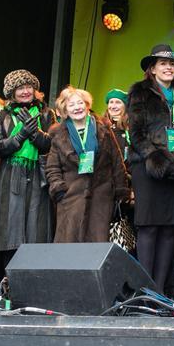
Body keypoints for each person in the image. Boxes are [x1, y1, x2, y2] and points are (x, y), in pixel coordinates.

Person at [127, 45, 174, 292]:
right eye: (162, 64)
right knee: (149, 228)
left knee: (170, 229)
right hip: (148, 169)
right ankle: (145, 292)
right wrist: (157, 160)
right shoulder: (140, 92)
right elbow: (136, 134)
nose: (169, 67)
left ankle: (160, 292)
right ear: (152, 68)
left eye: (172, 64)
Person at [0, 70, 56, 266]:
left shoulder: (47, 113)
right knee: (11, 232)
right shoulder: (1, 116)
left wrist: (35, 133)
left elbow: (52, 144)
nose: (25, 91)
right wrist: (21, 134)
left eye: (28, 87)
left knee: (36, 230)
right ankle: (8, 281)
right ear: (11, 93)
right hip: (9, 174)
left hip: (37, 172)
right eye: (20, 88)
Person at [45, 87, 127, 243]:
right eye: (71, 105)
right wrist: (59, 190)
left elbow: (116, 160)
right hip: (70, 196)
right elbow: (52, 167)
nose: (77, 107)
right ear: (65, 110)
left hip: (101, 195)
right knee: (69, 245)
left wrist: (120, 190)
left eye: (80, 103)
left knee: (97, 245)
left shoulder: (103, 128)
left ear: (87, 105)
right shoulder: (58, 134)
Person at [104, 89, 130, 162]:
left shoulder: (133, 126)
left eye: (118, 102)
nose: (113, 106)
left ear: (125, 106)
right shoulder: (101, 126)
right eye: (111, 102)